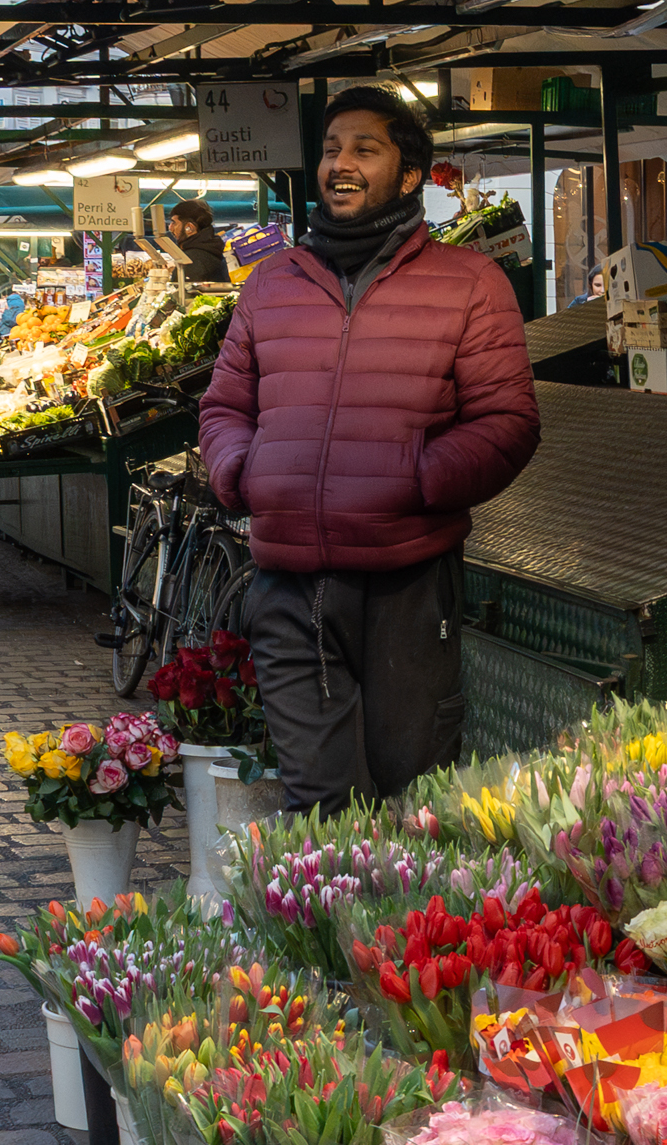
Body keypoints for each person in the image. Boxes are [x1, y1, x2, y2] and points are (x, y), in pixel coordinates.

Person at [199, 84, 541, 818]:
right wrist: (241, 471)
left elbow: (508, 420)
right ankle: (320, 926)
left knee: (409, 794)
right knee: (318, 804)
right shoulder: (271, 284)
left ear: (410, 173)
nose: (339, 163)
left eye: (364, 148)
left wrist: (415, 479)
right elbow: (225, 404)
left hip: (408, 585)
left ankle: (391, 931)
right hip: (288, 586)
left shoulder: (470, 284)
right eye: (330, 149)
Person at [167, 198, 229, 282]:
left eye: (174, 223)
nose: (170, 228)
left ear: (190, 228)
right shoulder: (211, 251)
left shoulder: (191, 260)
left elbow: (181, 293)